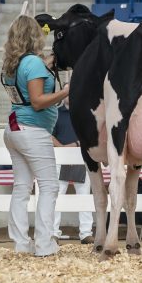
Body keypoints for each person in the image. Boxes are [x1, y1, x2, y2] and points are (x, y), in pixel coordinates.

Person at [2, 15, 69, 257]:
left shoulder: (11, 64)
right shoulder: (33, 64)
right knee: (49, 186)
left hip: (14, 128)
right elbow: (38, 102)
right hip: (33, 131)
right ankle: (44, 243)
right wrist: (65, 91)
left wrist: (45, 65)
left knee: (22, 187)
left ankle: (21, 244)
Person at [51, 101, 93, 245]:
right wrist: (64, 149)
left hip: (81, 158)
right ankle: (53, 233)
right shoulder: (55, 113)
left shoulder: (84, 113)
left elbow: (89, 134)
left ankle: (86, 234)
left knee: (84, 196)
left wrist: (76, 145)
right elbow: (49, 135)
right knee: (57, 196)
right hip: (59, 159)